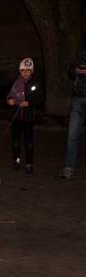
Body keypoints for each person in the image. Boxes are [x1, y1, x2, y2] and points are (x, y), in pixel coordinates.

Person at [7, 58, 43, 175]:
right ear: (19, 71)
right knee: (16, 142)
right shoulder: (16, 83)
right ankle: (16, 160)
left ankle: (29, 164)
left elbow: (39, 99)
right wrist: (10, 100)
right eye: (23, 70)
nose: (25, 72)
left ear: (32, 71)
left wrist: (29, 103)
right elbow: (10, 95)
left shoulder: (35, 83)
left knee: (29, 142)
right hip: (16, 117)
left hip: (28, 118)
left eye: (28, 70)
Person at [57, 32, 86, 180]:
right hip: (79, 98)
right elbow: (71, 71)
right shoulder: (82, 53)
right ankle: (68, 168)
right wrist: (76, 71)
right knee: (72, 134)